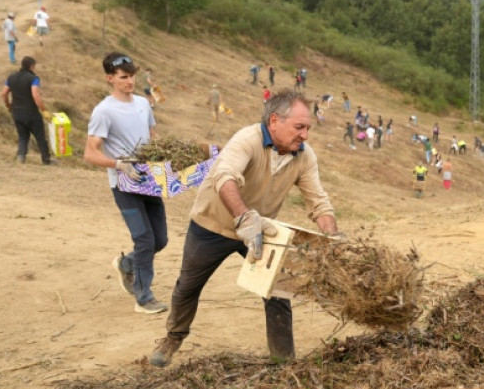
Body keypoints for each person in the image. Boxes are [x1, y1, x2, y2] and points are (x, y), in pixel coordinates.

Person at [149, 89, 339, 367]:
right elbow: (224, 177)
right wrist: (244, 217)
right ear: (275, 121)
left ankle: (282, 360)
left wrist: (333, 239)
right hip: (213, 225)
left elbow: (319, 203)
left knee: (278, 290)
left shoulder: (304, 156)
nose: (305, 135)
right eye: (299, 127)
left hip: (262, 231)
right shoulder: (247, 140)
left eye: (308, 128)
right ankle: (173, 338)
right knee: (188, 286)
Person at [83, 52, 168, 314]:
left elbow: (153, 137)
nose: (129, 81)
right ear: (110, 78)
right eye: (123, 77)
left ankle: (126, 264)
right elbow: (90, 152)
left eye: (131, 76)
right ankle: (144, 298)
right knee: (144, 239)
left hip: (148, 181)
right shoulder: (104, 111)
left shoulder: (143, 103)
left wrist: (164, 158)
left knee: (160, 240)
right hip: (123, 185)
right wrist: (119, 164)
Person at [2, 56, 51, 165]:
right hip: (31, 113)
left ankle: (21, 157)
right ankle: (46, 160)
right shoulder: (34, 79)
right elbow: (35, 95)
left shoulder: (11, 77)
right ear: (31, 66)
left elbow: (4, 93)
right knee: (40, 137)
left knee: (23, 136)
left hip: (17, 112)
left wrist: (8, 105)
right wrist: (44, 111)